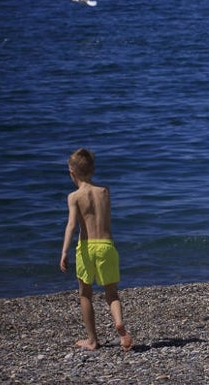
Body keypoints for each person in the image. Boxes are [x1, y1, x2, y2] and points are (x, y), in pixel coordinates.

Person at [59, 148, 133, 351]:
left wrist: (64, 251)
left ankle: (92, 340)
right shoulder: (104, 192)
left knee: (85, 294)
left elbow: (72, 225)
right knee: (112, 293)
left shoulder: (74, 197)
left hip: (86, 247)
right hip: (106, 246)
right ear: (92, 170)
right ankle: (119, 323)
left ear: (72, 173)